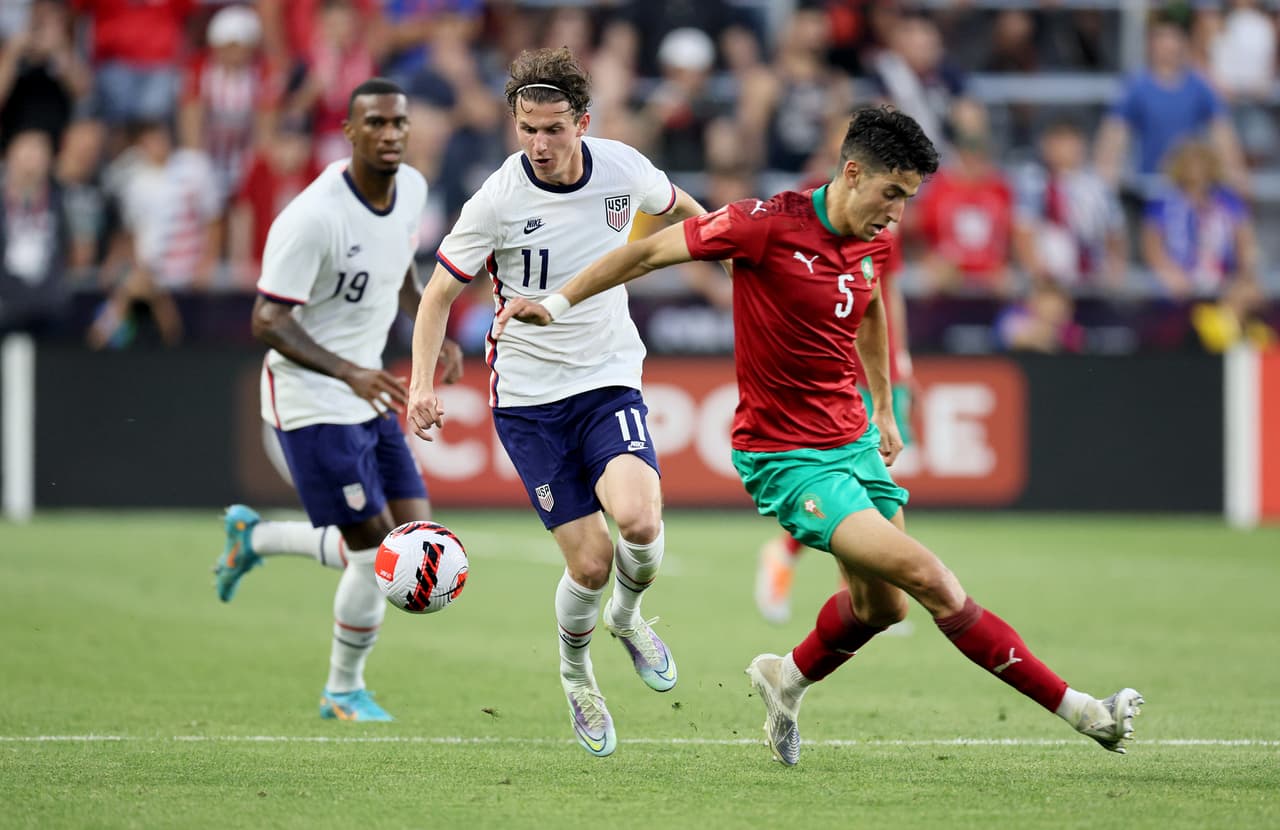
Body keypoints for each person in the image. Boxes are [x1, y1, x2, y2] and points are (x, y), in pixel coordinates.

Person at [494, 106, 1144, 765]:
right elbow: (646, 251)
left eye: (907, 200)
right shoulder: (763, 226)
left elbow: (870, 308)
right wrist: (557, 303)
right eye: (892, 194)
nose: (896, 215)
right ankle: (1086, 712)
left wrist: (884, 406)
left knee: (882, 607)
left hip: (854, 440)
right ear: (853, 174)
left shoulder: (873, 239)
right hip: (788, 459)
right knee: (931, 579)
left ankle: (786, 679)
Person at [406, 47, 714, 758]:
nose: (538, 146)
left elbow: (688, 215)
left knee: (639, 519)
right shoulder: (496, 201)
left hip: (607, 376)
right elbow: (436, 296)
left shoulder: (624, 169)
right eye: (525, 130)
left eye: (552, 130)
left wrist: (725, 250)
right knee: (590, 564)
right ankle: (577, 677)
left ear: (582, 121)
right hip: (529, 401)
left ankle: (629, 621)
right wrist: (422, 384)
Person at [211, 78, 463, 722]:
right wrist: (349, 371)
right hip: (308, 399)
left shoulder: (412, 189)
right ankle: (342, 689)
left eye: (398, 123)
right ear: (349, 132)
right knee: (375, 554)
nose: (390, 134)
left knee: (410, 543)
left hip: (367, 388)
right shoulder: (312, 217)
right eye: (375, 123)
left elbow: (400, 272)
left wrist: (428, 334)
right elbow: (267, 320)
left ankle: (256, 539)